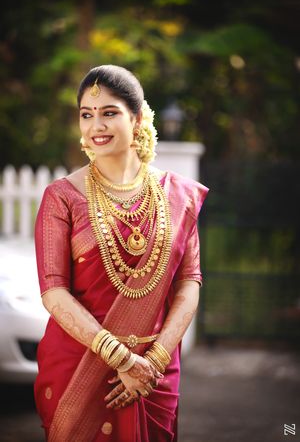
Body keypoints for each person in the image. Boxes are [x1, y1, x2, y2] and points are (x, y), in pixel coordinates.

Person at [34, 64, 209, 442]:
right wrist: (122, 359)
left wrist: (154, 362)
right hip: (80, 365)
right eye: (86, 115)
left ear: (138, 117)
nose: (96, 125)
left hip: (155, 371)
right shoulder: (62, 197)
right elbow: (53, 291)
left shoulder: (179, 196)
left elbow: (189, 283)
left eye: (109, 113)